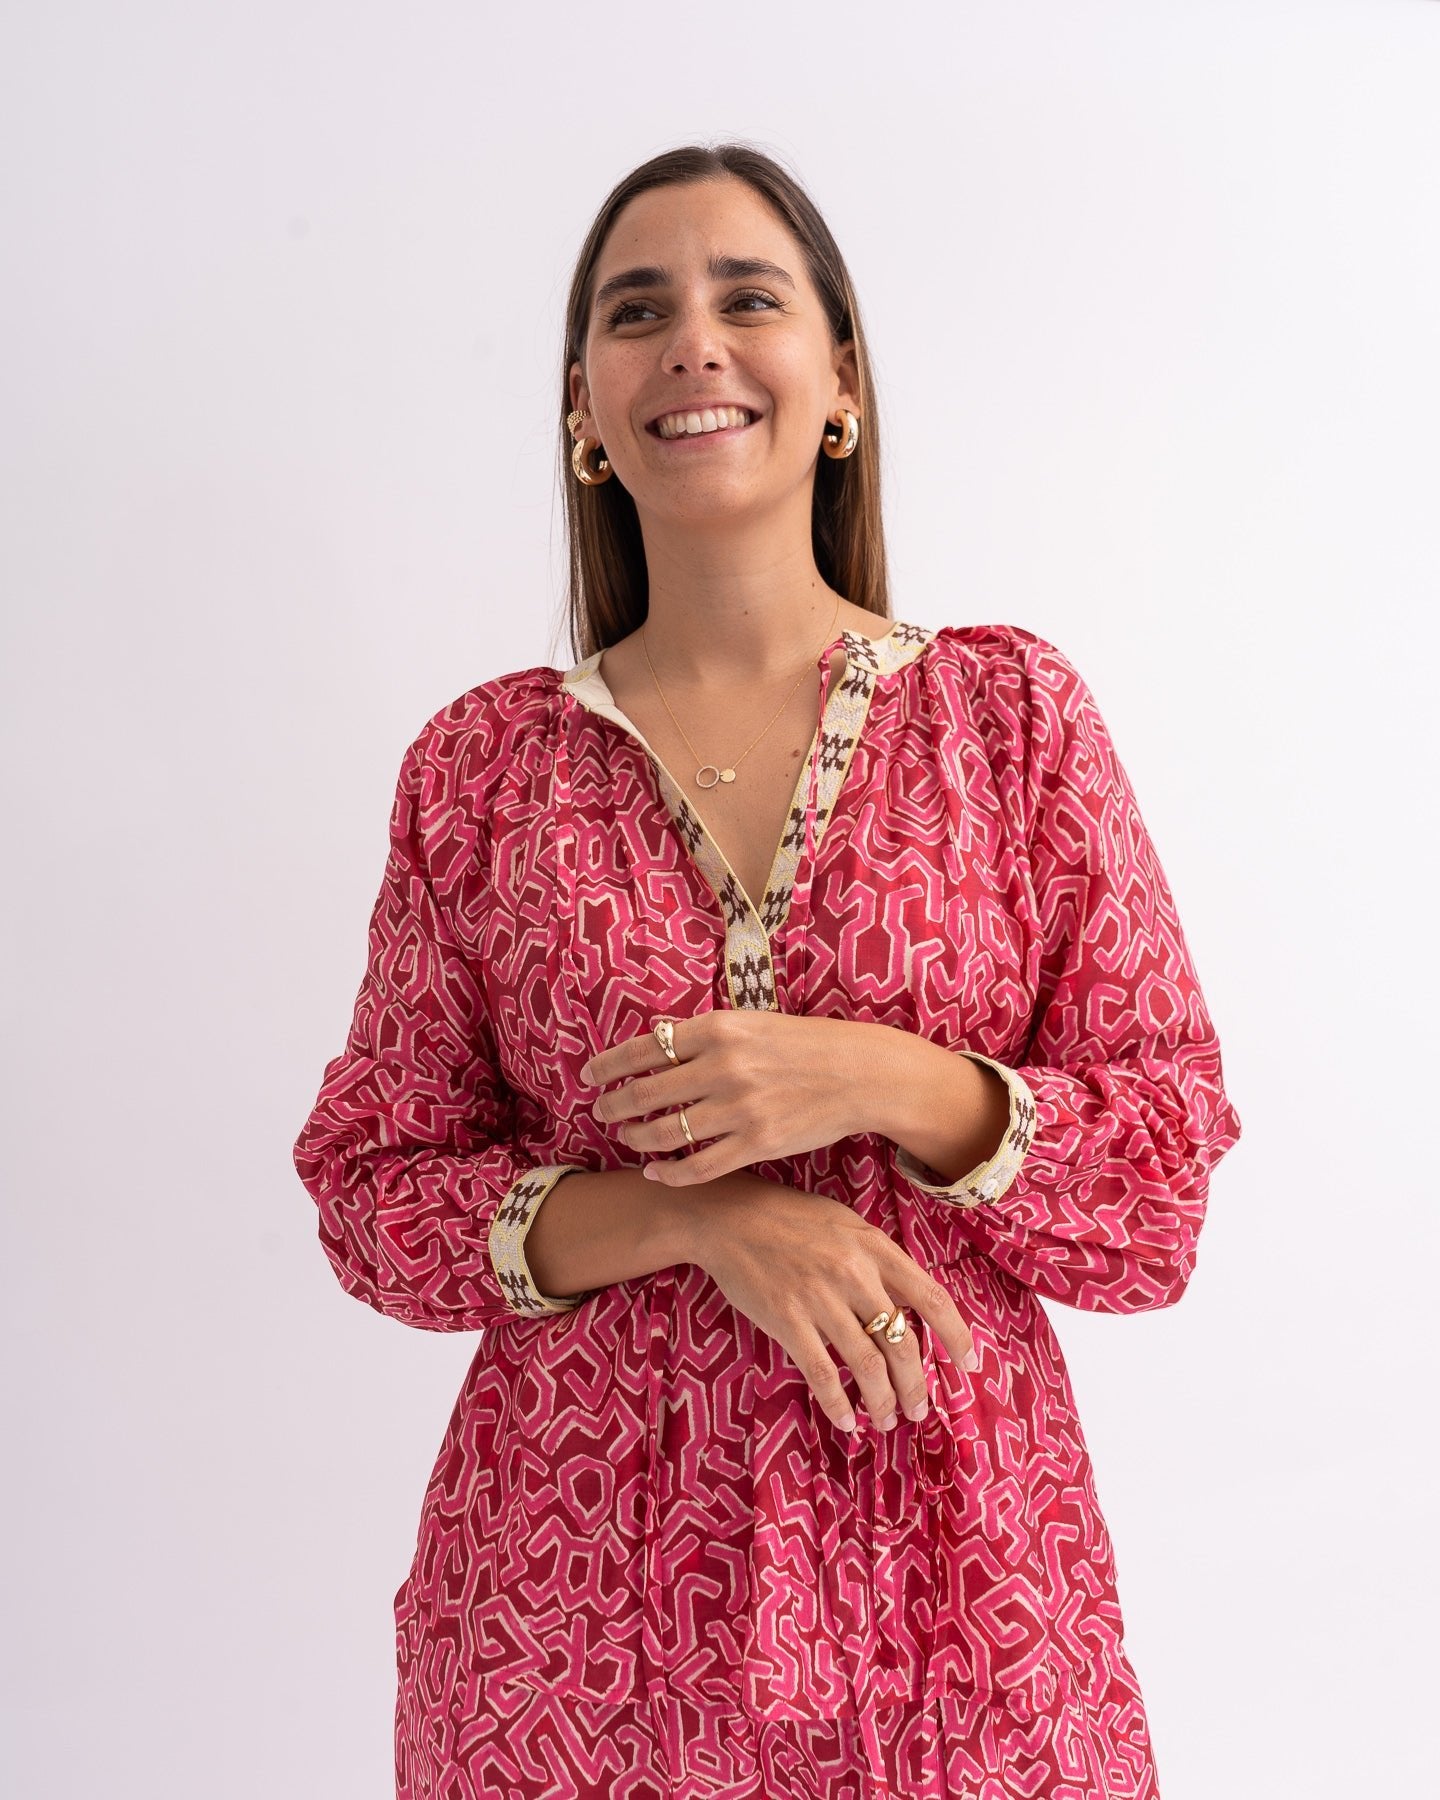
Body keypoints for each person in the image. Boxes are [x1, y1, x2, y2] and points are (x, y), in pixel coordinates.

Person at [292, 142, 1242, 1800]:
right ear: (584, 409)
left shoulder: (1009, 723)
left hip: (961, 1614)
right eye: (636, 311)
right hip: (571, 1628)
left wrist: (884, 1078)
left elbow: (1158, 1191)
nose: (694, 344)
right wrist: (696, 1222)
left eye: (748, 298)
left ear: (841, 382)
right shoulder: (482, 772)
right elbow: (376, 1193)